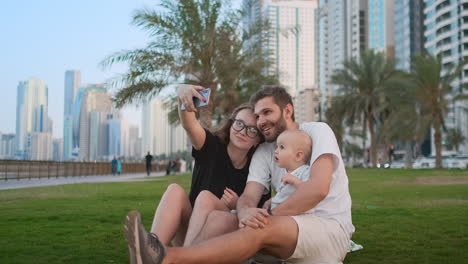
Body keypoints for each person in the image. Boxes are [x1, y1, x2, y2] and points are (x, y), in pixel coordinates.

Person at [124, 85, 355, 264]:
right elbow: (249, 195)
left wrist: (270, 213)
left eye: (267, 113)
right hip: (288, 228)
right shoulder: (265, 151)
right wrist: (245, 212)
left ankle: (167, 257)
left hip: (327, 228)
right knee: (224, 218)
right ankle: (159, 252)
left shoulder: (316, 131)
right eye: (258, 116)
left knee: (259, 226)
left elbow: (318, 189)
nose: (261, 121)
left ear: (287, 110)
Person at [126, 84, 269, 255]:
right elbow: (190, 124)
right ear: (231, 125)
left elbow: (257, 218)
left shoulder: (258, 170)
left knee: (208, 201)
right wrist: (183, 96)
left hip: (223, 239)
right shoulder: (212, 147)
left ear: (258, 140)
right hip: (191, 230)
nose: (243, 132)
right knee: (175, 190)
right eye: (239, 123)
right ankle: (152, 250)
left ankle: (180, 257)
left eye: (252, 130)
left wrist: (238, 204)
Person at [270, 129, 312, 210]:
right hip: (277, 212)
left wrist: (295, 181)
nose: (276, 151)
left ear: (298, 156)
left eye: (282, 147)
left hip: (291, 215)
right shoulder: (287, 173)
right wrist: (271, 201)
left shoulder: (305, 171)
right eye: (277, 147)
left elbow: (309, 192)